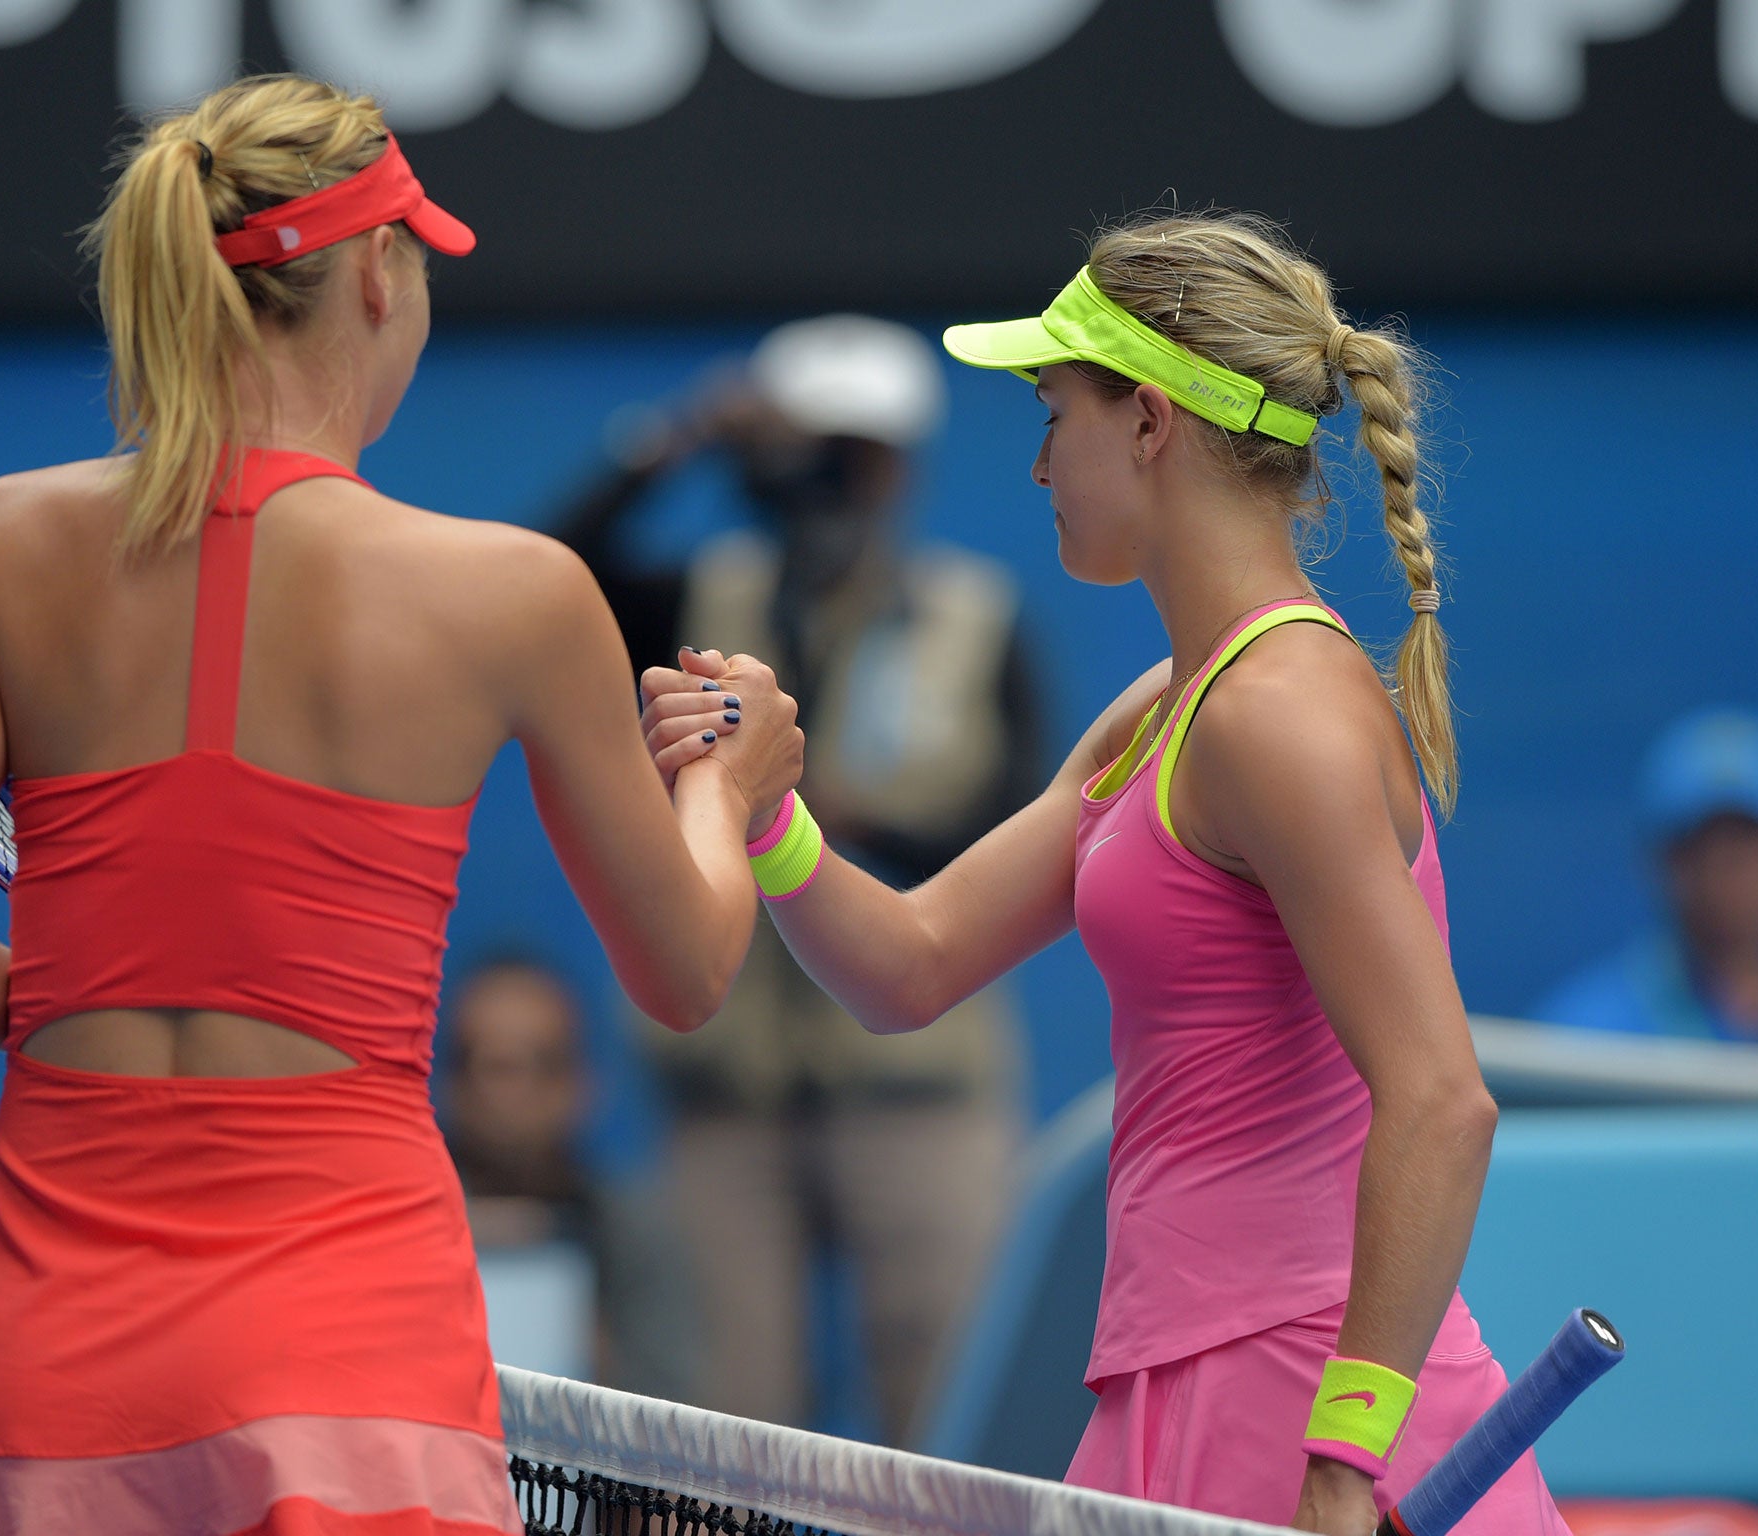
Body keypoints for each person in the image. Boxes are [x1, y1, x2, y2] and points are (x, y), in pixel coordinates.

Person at [0, 74, 799, 1535]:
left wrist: (80, 998)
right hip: (354, 1361)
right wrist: (731, 783)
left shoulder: (3, 541)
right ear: (382, 281)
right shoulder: (512, 593)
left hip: (50, 1371)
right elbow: (687, 968)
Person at [641, 213, 1566, 1534]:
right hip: (1179, 1389)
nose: (1035, 465)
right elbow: (911, 966)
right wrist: (764, 809)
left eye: (1050, 412)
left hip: (1303, 1409)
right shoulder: (1168, 707)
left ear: (1146, 421)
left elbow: (1441, 1103)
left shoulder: (1279, 716)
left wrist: (1343, 1458)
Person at [555, 316, 1037, 1442]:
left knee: (947, 1424)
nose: (824, 478)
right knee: (728, 1431)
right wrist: (669, 443)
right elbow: (550, 577)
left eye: (850, 452)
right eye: (802, 446)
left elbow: (1027, 828)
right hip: (728, 1094)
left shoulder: (974, 619)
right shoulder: (700, 601)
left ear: (897, 464)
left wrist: (831, 814)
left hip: (918, 1089)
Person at [439, 954, 698, 1399]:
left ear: (584, 1082)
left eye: (538, 1062)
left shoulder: (635, 1235)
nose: (505, 1089)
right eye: (477, 1060)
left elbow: (675, 1408)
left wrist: (606, 1382)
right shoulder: (394, 1231)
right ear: (444, 1079)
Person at [1533, 707, 1758, 1044]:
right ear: (1663, 864)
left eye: (1749, 843)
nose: (1730, 869)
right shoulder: (1581, 1033)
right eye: (1702, 848)